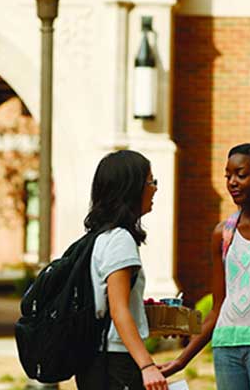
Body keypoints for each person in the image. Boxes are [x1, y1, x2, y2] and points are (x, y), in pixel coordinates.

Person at [159, 143, 250, 390]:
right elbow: (217, 308)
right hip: (226, 348)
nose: (232, 182)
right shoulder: (223, 233)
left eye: (241, 175)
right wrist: (180, 361)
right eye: (228, 176)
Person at [76, 150, 167, 390]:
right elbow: (118, 309)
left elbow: (107, 303)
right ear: (132, 187)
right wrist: (147, 366)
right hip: (115, 360)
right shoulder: (120, 239)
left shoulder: (100, 237)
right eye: (150, 181)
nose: (155, 188)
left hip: (97, 357)